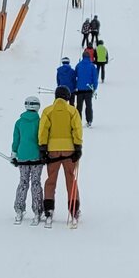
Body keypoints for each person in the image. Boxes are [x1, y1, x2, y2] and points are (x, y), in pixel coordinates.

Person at [37, 86, 84, 226]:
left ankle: (48, 209)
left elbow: (43, 130)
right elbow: (77, 129)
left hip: (53, 151)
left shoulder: (48, 111)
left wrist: (43, 147)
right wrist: (78, 146)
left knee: (51, 179)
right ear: (68, 97)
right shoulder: (72, 111)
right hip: (69, 150)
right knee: (71, 179)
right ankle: (74, 209)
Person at [10, 96, 44, 223]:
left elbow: (16, 140)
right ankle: (37, 210)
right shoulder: (40, 122)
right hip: (36, 157)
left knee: (23, 182)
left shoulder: (19, 122)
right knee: (36, 182)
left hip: (23, 157)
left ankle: (19, 209)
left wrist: (14, 155)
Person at [72, 51, 100, 125]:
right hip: (88, 89)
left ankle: (78, 121)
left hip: (80, 89)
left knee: (79, 106)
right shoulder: (92, 66)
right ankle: (89, 120)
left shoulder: (78, 65)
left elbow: (74, 77)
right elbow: (95, 78)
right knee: (88, 106)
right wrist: (94, 88)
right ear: (89, 57)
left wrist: (75, 86)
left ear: (83, 57)